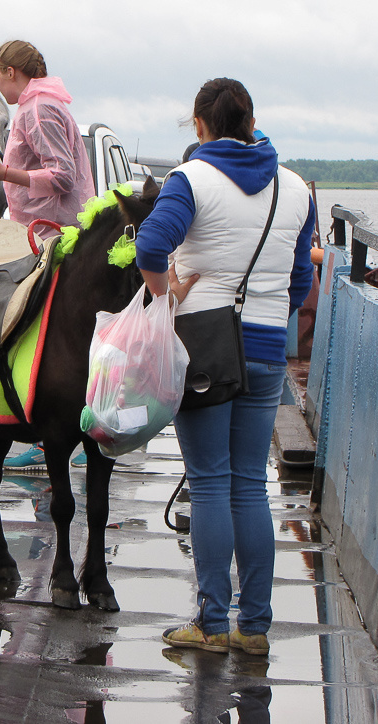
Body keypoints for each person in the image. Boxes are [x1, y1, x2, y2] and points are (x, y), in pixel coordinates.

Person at [133, 77, 315, 657]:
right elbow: (302, 279)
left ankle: (212, 625)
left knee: (208, 482)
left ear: (200, 125)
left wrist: (168, 295)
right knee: (248, 486)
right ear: (251, 121)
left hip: (206, 349)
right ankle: (255, 627)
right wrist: (267, 316)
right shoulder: (295, 188)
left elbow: (150, 247)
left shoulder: (190, 180)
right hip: (265, 352)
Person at [0, 40, 96, 471]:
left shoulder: (37, 107)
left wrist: (3, 172)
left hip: (49, 235)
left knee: (28, 323)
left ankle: (34, 420)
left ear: (11, 71)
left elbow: (61, 175)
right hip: (48, 229)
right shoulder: (45, 101)